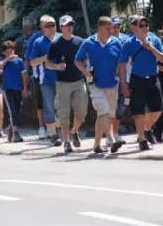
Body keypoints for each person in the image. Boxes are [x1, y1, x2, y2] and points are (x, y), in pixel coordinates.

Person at [75, 16, 125, 154]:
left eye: (113, 28)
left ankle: (96, 145)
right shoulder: (88, 43)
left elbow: (122, 64)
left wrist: (123, 82)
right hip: (95, 83)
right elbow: (77, 60)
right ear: (100, 29)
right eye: (108, 29)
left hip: (112, 84)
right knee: (103, 111)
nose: (111, 31)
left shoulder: (117, 43)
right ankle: (112, 141)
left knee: (106, 115)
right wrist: (86, 72)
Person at [119, 16, 163, 151]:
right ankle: (142, 139)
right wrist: (123, 84)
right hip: (137, 79)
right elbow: (122, 64)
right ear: (136, 28)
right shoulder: (129, 43)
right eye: (141, 25)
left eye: (146, 24)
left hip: (153, 78)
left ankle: (146, 128)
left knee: (158, 109)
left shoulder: (155, 40)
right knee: (138, 112)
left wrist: (151, 48)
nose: (145, 27)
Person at [46, 15, 87, 153]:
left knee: (81, 111)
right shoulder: (55, 44)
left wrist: (87, 69)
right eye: (66, 25)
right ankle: (66, 141)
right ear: (61, 27)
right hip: (63, 83)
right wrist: (56, 67)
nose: (69, 26)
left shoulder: (80, 41)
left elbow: (86, 59)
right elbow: (47, 63)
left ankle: (74, 131)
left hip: (79, 81)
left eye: (71, 24)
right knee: (63, 115)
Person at [30, 15, 63, 147]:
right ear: (43, 28)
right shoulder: (38, 42)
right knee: (49, 108)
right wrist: (45, 57)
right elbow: (32, 62)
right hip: (46, 81)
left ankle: (60, 130)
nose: (51, 28)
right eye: (48, 26)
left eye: (53, 25)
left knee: (61, 108)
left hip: (63, 79)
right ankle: (54, 135)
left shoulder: (62, 38)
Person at [0, 41, 28, 143]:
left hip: (18, 89)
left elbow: (24, 75)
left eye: (11, 51)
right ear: (4, 53)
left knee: (17, 111)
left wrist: (24, 88)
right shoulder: (3, 60)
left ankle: (11, 129)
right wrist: (7, 59)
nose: (10, 53)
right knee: (12, 111)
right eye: (7, 52)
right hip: (7, 89)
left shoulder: (19, 61)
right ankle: (16, 133)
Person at [23, 19, 47, 139]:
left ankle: (54, 128)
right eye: (45, 24)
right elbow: (28, 58)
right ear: (40, 26)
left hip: (55, 75)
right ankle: (42, 127)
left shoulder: (57, 37)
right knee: (41, 103)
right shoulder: (35, 39)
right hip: (39, 76)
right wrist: (26, 73)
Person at [109, 16, 129, 145]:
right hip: (109, 80)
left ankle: (115, 134)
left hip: (123, 79)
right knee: (109, 108)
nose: (116, 28)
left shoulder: (126, 39)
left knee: (120, 108)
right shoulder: (105, 39)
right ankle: (109, 135)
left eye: (118, 26)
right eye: (114, 26)